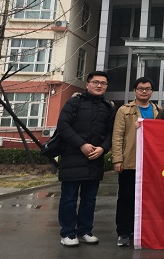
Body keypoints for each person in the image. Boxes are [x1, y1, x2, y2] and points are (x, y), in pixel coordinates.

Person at [56, 71, 115, 247]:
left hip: (95, 159)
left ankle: (85, 231)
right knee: (69, 198)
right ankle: (68, 233)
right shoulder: (74, 102)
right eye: (96, 82)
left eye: (103, 83)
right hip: (72, 157)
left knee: (90, 199)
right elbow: (63, 126)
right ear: (87, 84)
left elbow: (111, 132)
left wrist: (103, 148)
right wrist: (82, 144)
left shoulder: (108, 107)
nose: (99, 85)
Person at [112, 77, 161, 247]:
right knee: (126, 198)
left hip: (151, 163)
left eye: (147, 89)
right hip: (131, 161)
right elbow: (117, 136)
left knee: (149, 199)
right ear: (135, 90)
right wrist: (117, 159)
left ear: (152, 91)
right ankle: (123, 232)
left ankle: (141, 230)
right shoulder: (124, 110)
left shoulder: (158, 111)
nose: (144, 91)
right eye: (141, 88)